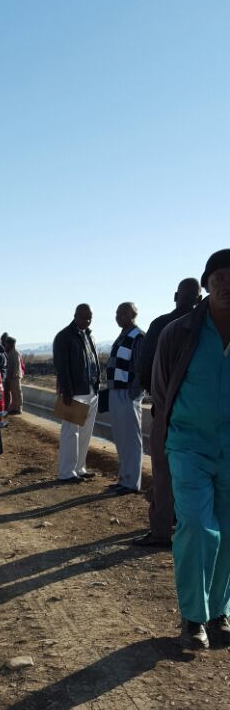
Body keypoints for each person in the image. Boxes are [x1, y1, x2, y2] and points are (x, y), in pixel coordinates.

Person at [153, 250, 230, 650]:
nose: (227, 283)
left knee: (228, 531)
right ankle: (193, 616)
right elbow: (162, 392)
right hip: (188, 445)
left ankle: (219, 611)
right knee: (197, 527)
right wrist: (165, 442)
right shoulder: (180, 333)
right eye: (219, 276)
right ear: (206, 283)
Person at [133, 278, 202, 547]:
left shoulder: (162, 325)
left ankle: (162, 530)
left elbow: (145, 367)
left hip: (165, 409)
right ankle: (190, 526)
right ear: (198, 299)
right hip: (201, 411)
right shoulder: (209, 326)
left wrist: (159, 399)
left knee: (163, 471)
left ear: (176, 296)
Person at [52, 304, 100, 483]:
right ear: (75, 315)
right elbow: (61, 367)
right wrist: (66, 391)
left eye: (89, 318)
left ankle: (79, 468)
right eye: (83, 317)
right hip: (75, 392)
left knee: (86, 432)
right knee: (71, 432)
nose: (86, 321)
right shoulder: (64, 337)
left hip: (91, 391)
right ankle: (66, 472)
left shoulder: (90, 336)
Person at [105, 303, 145, 494]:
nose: (117, 316)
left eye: (121, 313)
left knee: (131, 439)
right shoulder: (123, 335)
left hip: (127, 393)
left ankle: (131, 483)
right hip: (116, 391)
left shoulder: (138, 336)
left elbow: (140, 369)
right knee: (121, 438)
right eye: (116, 313)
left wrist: (133, 394)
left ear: (133, 314)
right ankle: (124, 478)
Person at [4, 337, 23, 414]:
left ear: (10, 344)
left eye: (7, 343)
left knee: (17, 393)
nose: (5, 345)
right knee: (13, 393)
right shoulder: (10, 352)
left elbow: (17, 366)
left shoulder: (15, 353)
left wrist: (14, 376)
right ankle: (13, 407)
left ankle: (18, 409)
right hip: (11, 377)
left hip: (15, 377)